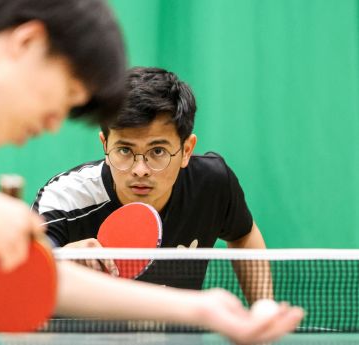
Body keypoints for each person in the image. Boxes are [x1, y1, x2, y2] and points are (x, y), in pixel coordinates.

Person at [0, 1, 302, 342]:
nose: (49, 125)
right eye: (61, 99)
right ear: (27, 42)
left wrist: (203, 309)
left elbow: (40, 280)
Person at [32, 67, 272, 303]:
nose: (140, 170)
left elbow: (243, 234)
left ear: (186, 150)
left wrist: (265, 309)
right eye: (124, 150)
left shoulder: (211, 184)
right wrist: (61, 260)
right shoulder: (65, 199)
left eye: (157, 151)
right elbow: (28, 269)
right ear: (105, 144)